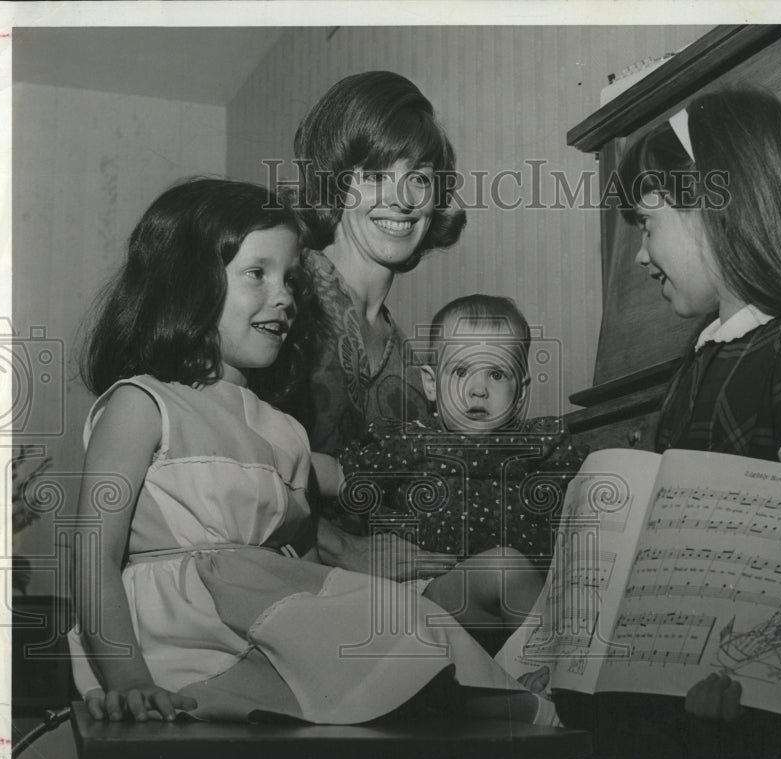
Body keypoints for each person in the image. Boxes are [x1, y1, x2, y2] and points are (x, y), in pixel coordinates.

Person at [68, 178, 556, 728]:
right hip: (173, 642)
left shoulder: (281, 428)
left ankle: (530, 713)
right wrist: (127, 679)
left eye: (290, 279)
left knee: (420, 616)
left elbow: (357, 482)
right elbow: (93, 556)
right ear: (187, 282)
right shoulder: (143, 403)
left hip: (270, 616)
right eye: (258, 274)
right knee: (400, 645)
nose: (284, 297)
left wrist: (472, 439)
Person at [556, 87, 781, 759]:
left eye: (647, 225)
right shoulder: (698, 362)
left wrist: (753, 668)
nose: (641, 257)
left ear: (713, 207)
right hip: (672, 667)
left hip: (745, 688)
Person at [286, 70, 469, 580]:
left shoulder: (410, 362)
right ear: (335, 184)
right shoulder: (284, 298)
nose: (403, 199)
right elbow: (228, 456)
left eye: (420, 178)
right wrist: (342, 549)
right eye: (374, 175)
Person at [313, 295, 587, 632]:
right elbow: (338, 475)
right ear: (430, 383)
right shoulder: (411, 441)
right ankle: (544, 671)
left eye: (497, 374)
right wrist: (277, 458)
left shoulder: (540, 447)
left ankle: (540, 669)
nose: (477, 390)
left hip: (529, 595)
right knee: (505, 569)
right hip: (428, 591)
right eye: (460, 371)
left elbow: (587, 501)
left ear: (521, 392)